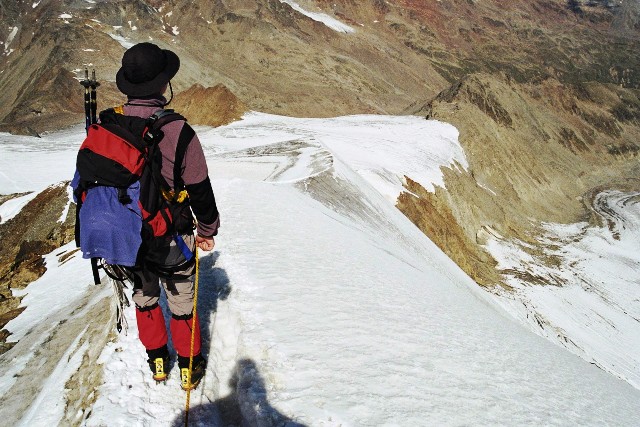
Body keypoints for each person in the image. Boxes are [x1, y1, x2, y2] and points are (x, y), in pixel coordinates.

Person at [114, 42, 220, 389]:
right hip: (172, 233)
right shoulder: (178, 131)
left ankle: (157, 362)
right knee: (181, 299)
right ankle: (188, 367)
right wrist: (207, 229)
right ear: (163, 85)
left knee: (145, 298)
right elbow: (200, 188)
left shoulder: (109, 127)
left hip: (128, 236)